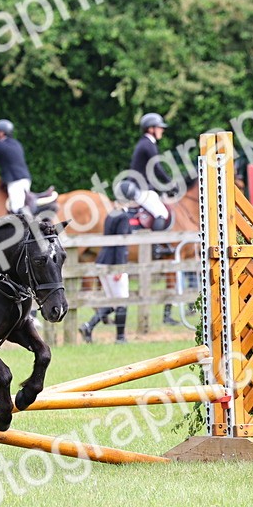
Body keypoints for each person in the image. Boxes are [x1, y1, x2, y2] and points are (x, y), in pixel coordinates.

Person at [79, 206, 131, 344]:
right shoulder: (124, 217)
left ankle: (88, 326)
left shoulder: (111, 214)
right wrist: (119, 267)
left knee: (113, 302)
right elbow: (120, 242)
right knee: (122, 301)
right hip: (114, 262)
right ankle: (120, 338)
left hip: (103, 260)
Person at [115, 113, 173, 231]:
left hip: (142, 186)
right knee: (162, 213)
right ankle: (155, 241)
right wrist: (170, 184)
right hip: (140, 188)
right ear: (151, 129)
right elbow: (157, 168)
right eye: (159, 127)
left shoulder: (145, 143)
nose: (162, 130)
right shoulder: (148, 144)